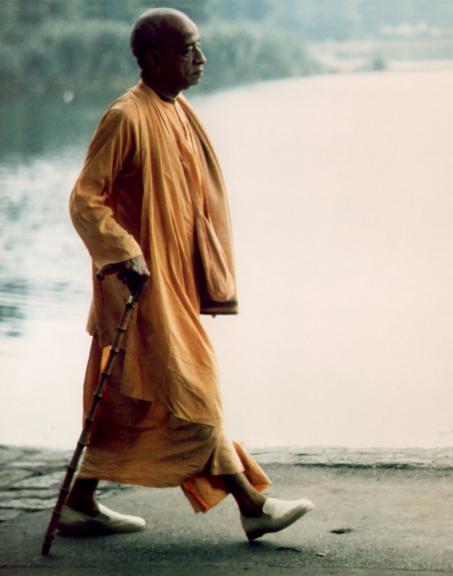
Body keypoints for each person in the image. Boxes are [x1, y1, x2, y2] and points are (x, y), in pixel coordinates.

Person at [62, 7, 313, 541]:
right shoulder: (127, 116)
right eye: (188, 50)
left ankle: (80, 500)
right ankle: (252, 506)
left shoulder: (177, 111)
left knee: (128, 401)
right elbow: (86, 200)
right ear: (153, 59)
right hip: (140, 284)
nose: (200, 59)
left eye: (198, 48)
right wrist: (123, 252)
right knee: (193, 393)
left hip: (171, 281)